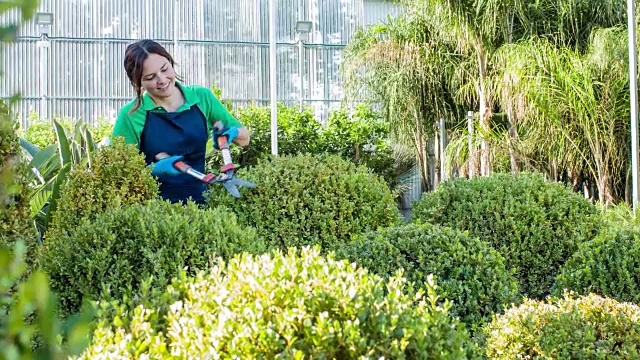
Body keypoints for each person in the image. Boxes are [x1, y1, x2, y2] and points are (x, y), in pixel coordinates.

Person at [112, 39, 250, 204]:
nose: (162, 80)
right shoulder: (130, 115)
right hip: (152, 212)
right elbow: (117, 174)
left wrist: (232, 133)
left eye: (165, 69)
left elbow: (245, 139)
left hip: (201, 202)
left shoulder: (201, 97)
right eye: (150, 77)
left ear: (170, 62)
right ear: (137, 82)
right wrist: (152, 171)